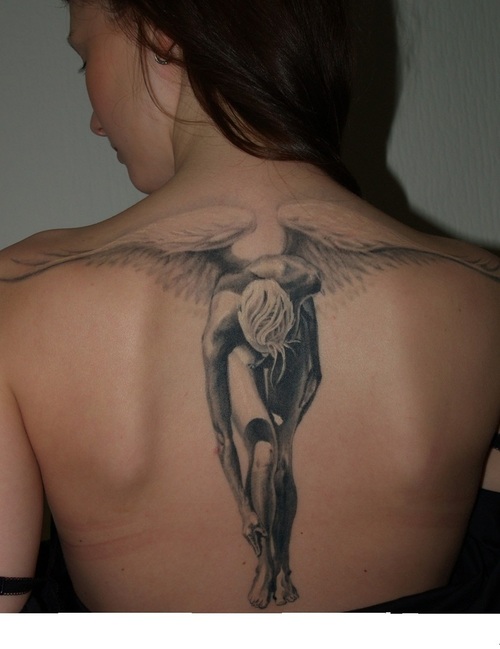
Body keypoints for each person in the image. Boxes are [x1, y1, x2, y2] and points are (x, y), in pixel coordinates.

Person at [1, 0, 500, 613]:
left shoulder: (17, 294)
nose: (95, 124)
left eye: (85, 57)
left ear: (163, 36)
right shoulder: (483, 294)